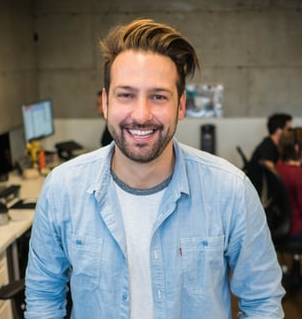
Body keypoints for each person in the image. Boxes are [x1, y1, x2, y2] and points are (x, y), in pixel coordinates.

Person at [25, 18, 285, 319]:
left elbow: (263, 301)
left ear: (181, 106)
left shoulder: (230, 190)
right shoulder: (61, 189)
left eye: (158, 96)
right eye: (126, 95)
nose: (141, 114)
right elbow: (43, 297)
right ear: (106, 103)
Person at [247, 113, 292, 196]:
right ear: (279, 131)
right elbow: (273, 174)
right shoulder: (268, 147)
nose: (290, 133)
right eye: (288, 129)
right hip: (263, 193)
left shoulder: (273, 144)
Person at [276, 127, 302, 238]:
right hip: (297, 227)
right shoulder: (297, 174)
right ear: (297, 148)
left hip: (282, 223)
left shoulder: (279, 165)